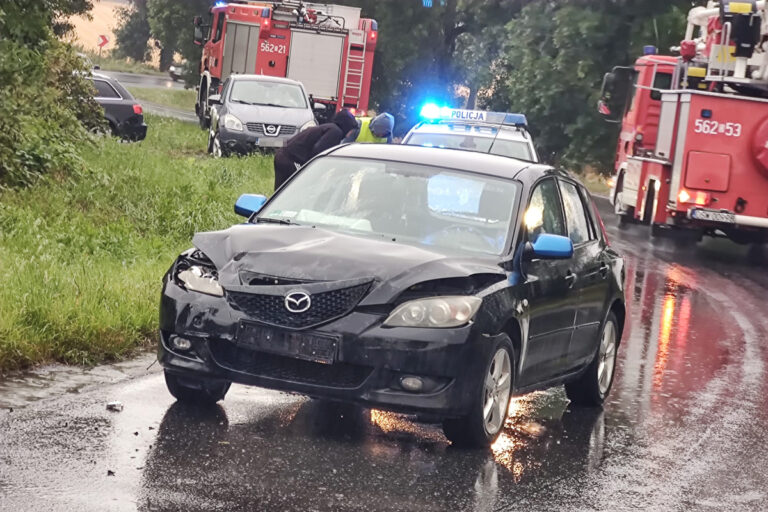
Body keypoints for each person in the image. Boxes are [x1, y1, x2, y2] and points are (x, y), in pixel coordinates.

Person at [273, 109, 358, 190]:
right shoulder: (335, 132)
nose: (350, 133)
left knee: (280, 192)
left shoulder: (328, 127)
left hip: (282, 155)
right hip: (291, 160)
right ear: (346, 126)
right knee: (297, 188)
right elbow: (318, 153)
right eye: (351, 130)